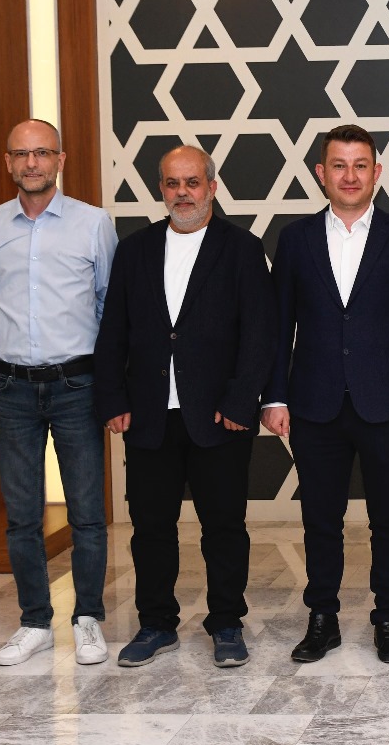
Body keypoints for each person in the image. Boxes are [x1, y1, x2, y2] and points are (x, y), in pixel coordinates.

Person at [263, 124, 389, 665]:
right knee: (321, 519)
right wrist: (274, 397)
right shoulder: (294, 239)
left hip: (386, 404)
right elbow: (278, 325)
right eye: (339, 165)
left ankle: (388, 618)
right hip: (314, 404)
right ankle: (323, 618)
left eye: (360, 165)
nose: (349, 176)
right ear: (321, 173)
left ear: (377, 172)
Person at [95, 145, 276, 667]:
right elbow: (113, 332)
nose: (183, 193)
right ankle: (156, 624)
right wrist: (113, 398)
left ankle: (226, 623)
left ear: (212, 187)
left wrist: (241, 400)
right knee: (151, 528)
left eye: (192, 182)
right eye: (172, 183)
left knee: (224, 527)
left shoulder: (242, 249)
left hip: (220, 416)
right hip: (149, 415)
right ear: (161, 189)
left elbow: (259, 333)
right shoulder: (135, 251)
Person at [0, 118, 117, 667]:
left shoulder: (93, 223)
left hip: (77, 384)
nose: (31, 163)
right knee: (22, 515)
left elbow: (107, 303)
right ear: (7, 162)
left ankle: (88, 618)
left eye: (42, 153)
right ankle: (34, 620)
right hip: (10, 386)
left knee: (86, 512)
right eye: (21, 154)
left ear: (61, 159)